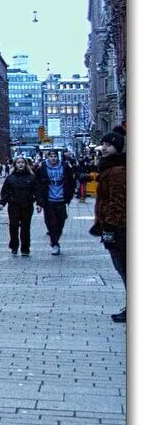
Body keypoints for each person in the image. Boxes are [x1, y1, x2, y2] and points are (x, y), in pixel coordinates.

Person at [91, 130, 126, 322]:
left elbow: (118, 201)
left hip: (119, 227)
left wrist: (110, 227)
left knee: (124, 267)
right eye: (103, 144)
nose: (104, 148)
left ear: (118, 148)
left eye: (109, 145)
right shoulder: (111, 168)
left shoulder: (117, 171)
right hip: (115, 225)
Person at [32, 149, 76, 255]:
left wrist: (70, 195)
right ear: (48, 157)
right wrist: (39, 201)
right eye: (51, 156)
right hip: (49, 200)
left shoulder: (65, 167)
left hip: (61, 199)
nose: (53, 158)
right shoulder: (42, 168)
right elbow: (37, 184)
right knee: (51, 223)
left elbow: (71, 181)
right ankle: (55, 244)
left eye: (55, 156)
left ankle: (56, 238)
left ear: (58, 157)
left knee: (61, 221)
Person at [0, 156, 38, 257]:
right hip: (14, 206)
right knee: (13, 226)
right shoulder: (10, 178)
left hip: (27, 205)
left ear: (25, 164)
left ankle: (25, 248)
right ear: (15, 165)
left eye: (22, 163)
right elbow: (5, 192)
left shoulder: (31, 177)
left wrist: (39, 203)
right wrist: (2, 203)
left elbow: (37, 191)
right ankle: (14, 246)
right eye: (18, 163)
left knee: (25, 227)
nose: (20, 164)